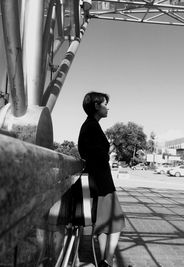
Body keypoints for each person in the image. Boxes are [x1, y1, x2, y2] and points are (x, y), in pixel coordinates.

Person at [78, 91, 125, 267]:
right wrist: (108, 150)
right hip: (103, 182)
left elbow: (88, 153)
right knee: (117, 222)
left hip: (96, 182)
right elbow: (98, 157)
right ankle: (109, 260)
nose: (107, 107)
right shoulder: (92, 126)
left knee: (104, 225)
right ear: (96, 106)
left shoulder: (88, 125)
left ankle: (105, 263)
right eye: (105, 104)